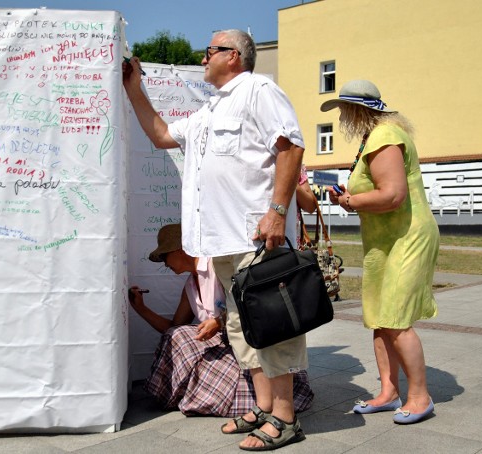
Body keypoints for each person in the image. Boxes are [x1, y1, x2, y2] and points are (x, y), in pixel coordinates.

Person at [124, 29, 307, 450]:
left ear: (235, 57)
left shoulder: (259, 91)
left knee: (272, 327)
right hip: (221, 241)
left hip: (256, 237)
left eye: (211, 51)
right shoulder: (210, 108)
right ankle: (263, 407)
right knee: (244, 328)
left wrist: (277, 211)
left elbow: (291, 148)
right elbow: (162, 136)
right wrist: (135, 89)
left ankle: (285, 417)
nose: (203, 57)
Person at [321, 79, 439, 424]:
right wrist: (349, 199)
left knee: (396, 317)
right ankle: (389, 392)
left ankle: (420, 396)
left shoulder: (385, 136)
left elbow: (392, 195)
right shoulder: (375, 138)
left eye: (344, 110)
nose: (342, 117)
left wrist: (349, 200)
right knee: (379, 317)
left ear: (359, 110)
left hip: (407, 237)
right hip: (385, 241)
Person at [129, 224, 314, 418]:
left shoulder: (216, 267)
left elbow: (249, 305)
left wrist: (219, 322)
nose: (164, 263)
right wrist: (141, 309)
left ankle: (266, 400)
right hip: (228, 350)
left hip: (248, 347)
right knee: (177, 336)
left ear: (180, 250)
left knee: (182, 339)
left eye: (165, 256)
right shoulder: (190, 287)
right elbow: (173, 328)